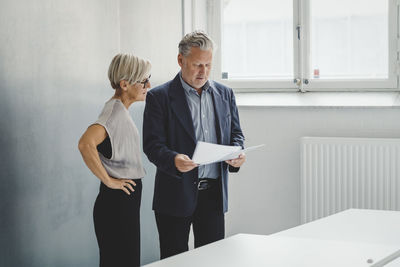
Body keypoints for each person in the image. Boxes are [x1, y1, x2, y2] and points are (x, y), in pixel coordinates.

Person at [143, 31, 245, 259]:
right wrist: (173, 160)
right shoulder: (159, 97)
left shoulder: (225, 94)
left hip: (214, 196)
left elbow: (236, 134)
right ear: (181, 60)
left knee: (212, 260)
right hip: (174, 194)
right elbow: (152, 144)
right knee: (174, 259)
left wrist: (237, 153)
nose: (204, 72)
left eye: (208, 65)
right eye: (197, 64)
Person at [78, 53, 151, 267]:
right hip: (117, 204)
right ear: (125, 84)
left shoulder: (120, 111)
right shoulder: (114, 114)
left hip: (124, 202)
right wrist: (110, 181)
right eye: (144, 80)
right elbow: (85, 144)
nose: (148, 84)